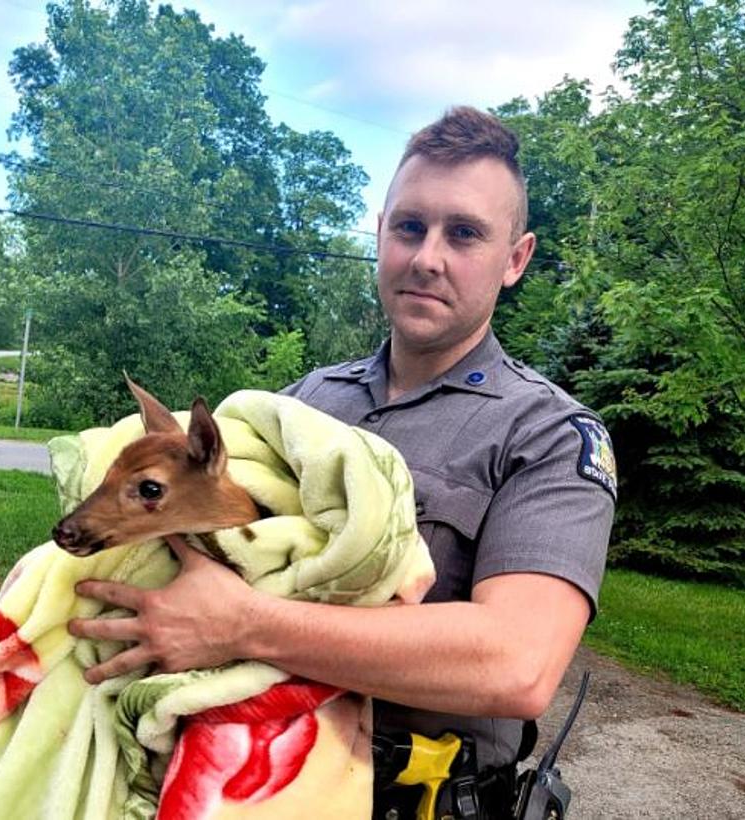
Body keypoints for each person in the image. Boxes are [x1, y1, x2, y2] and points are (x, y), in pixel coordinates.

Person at [69, 106, 616, 816]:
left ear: (516, 259)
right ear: (381, 233)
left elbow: (516, 663)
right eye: (409, 226)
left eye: (465, 233)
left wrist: (243, 624)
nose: (427, 256)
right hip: (238, 786)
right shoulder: (297, 407)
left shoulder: (547, 433)